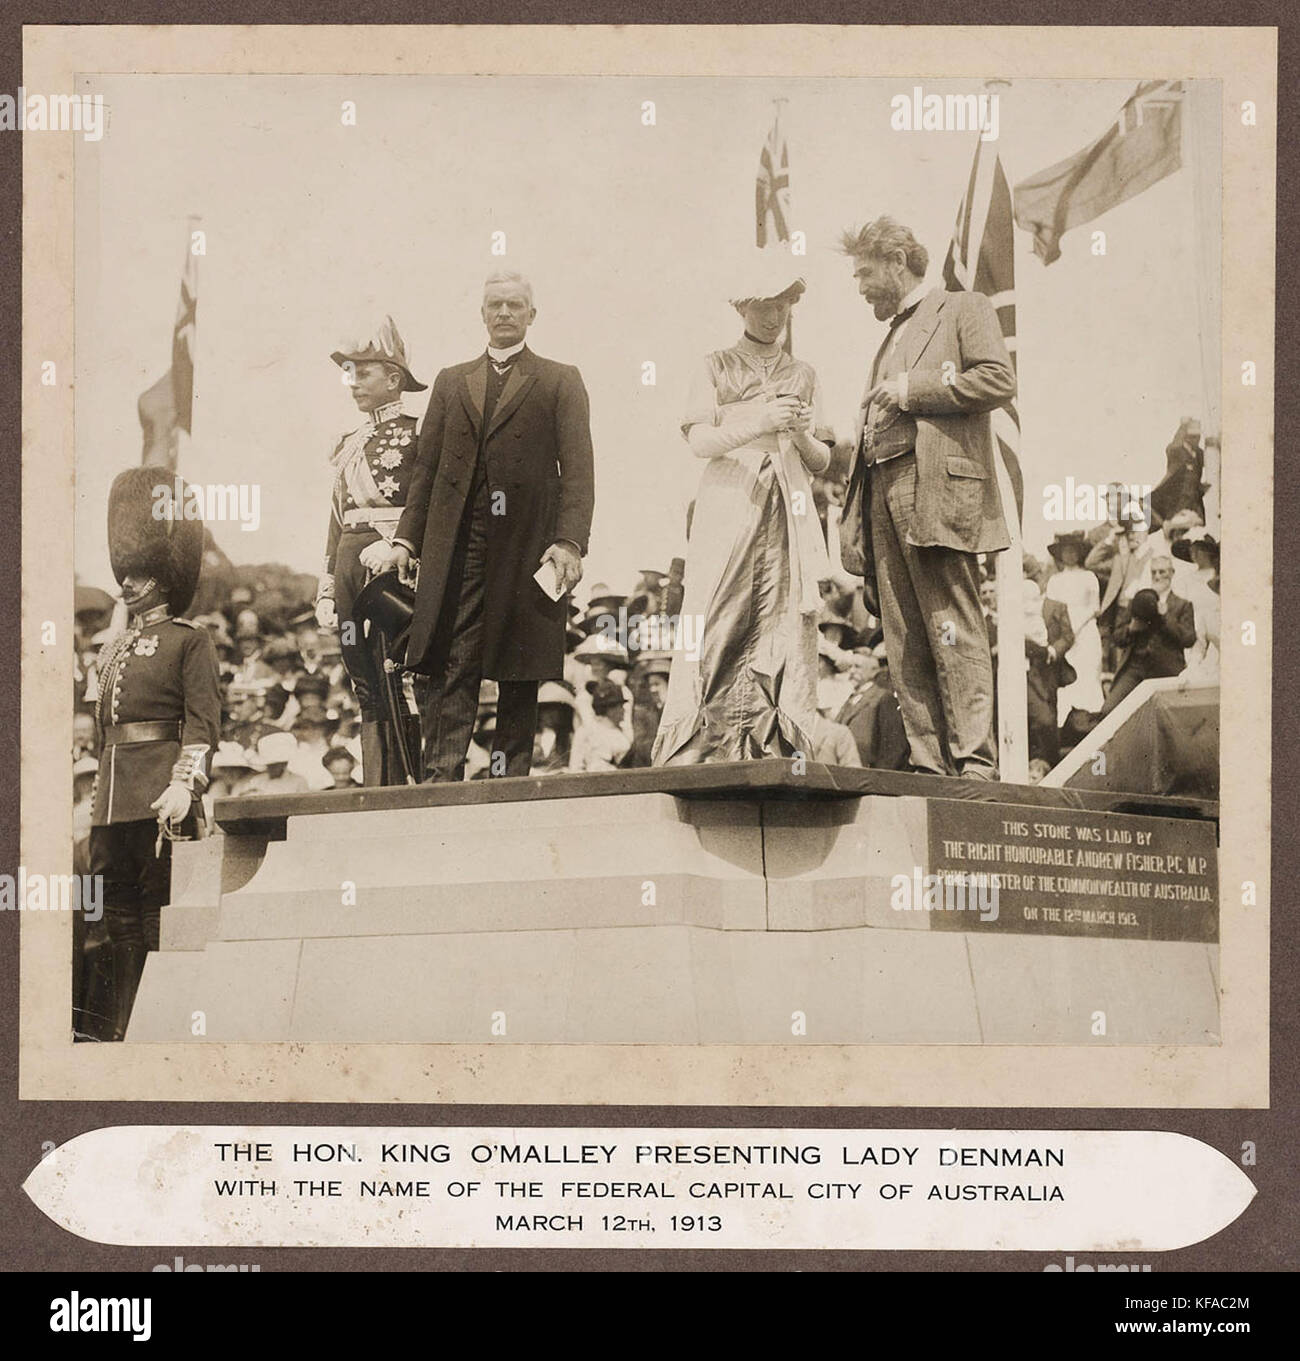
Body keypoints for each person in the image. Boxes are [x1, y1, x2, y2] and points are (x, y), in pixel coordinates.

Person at [375, 271, 595, 781]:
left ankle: (508, 776)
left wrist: (568, 541)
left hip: (528, 541)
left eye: (515, 305)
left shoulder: (560, 379)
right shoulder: (452, 381)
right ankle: (442, 775)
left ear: (531, 315)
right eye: (495, 304)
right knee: (453, 652)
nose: (504, 313)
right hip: (459, 541)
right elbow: (426, 469)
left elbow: (579, 469)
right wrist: (407, 539)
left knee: (520, 658)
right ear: (482, 314)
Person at [837, 216, 1016, 780]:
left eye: (865, 273)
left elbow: (998, 379)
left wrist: (913, 389)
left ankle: (974, 762)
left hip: (935, 488)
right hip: (882, 493)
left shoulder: (964, 308)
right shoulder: (888, 335)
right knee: (903, 635)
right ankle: (931, 765)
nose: (860, 287)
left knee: (951, 624)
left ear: (897, 262)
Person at [652, 257, 833, 764]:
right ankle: (705, 744)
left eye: (782, 305)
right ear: (741, 309)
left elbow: (822, 459)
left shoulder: (805, 373)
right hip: (730, 497)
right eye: (762, 306)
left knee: (783, 613)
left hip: (788, 500)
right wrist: (760, 421)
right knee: (716, 605)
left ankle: (774, 743)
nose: (773, 317)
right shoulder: (714, 364)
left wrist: (798, 432)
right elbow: (699, 442)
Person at [81, 470, 221, 1042]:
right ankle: (123, 1023)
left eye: (136, 575)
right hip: (113, 798)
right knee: (116, 917)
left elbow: (204, 722)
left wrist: (186, 782)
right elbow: (102, 723)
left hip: (160, 790)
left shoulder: (190, 640)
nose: (126, 583)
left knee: (156, 912)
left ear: (162, 580)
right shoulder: (115, 647)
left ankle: (159, 1023)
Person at [314, 317, 426, 785]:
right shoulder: (347, 443)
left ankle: (411, 782)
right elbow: (335, 518)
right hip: (348, 563)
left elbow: (427, 506)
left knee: (399, 674)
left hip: (392, 566)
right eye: (350, 373)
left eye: (363, 373)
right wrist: (326, 585)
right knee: (362, 679)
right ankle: (380, 784)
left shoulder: (420, 433)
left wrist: (401, 544)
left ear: (393, 378)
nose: (353, 383)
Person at [1101, 559, 1197, 714]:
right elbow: (1117, 638)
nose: (1157, 576)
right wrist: (1131, 629)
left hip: (1165, 669)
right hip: (1135, 667)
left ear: (1172, 573)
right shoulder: (1138, 600)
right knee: (1109, 710)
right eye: (1154, 572)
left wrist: (1165, 617)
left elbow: (1189, 639)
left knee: (1167, 716)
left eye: (1162, 572)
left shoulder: (1182, 605)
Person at [1044, 531, 1103, 722]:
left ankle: (1090, 720)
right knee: (1068, 677)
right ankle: (1067, 724)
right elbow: (1051, 610)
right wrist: (1064, 632)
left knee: (1088, 673)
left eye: (1073, 551)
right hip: (1064, 635)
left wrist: (1076, 625)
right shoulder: (1055, 580)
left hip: (1085, 631)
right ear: (1060, 554)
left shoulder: (1089, 577)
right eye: (1066, 551)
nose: (1070, 555)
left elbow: (1095, 608)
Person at [569, 679, 632, 772]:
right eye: (620, 707)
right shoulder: (602, 732)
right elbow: (598, 768)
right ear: (609, 709)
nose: (623, 710)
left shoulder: (585, 729)